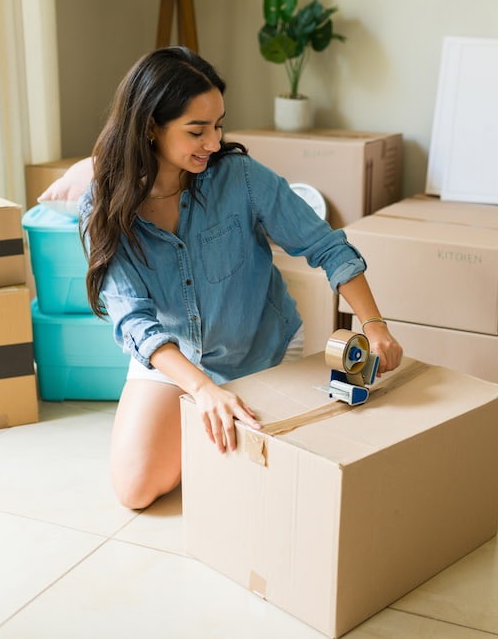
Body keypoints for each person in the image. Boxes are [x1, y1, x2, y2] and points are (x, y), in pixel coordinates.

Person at [42, 46, 402, 509]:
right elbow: (132, 320)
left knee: (276, 475)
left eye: (218, 126)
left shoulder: (241, 178)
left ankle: (209, 425)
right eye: (197, 130)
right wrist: (201, 388)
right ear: (150, 126)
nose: (213, 142)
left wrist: (374, 324)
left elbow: (326, 246)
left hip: (261, 347)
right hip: (171, 356)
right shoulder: (105, 207)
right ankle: (200, 416)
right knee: (135, 490)